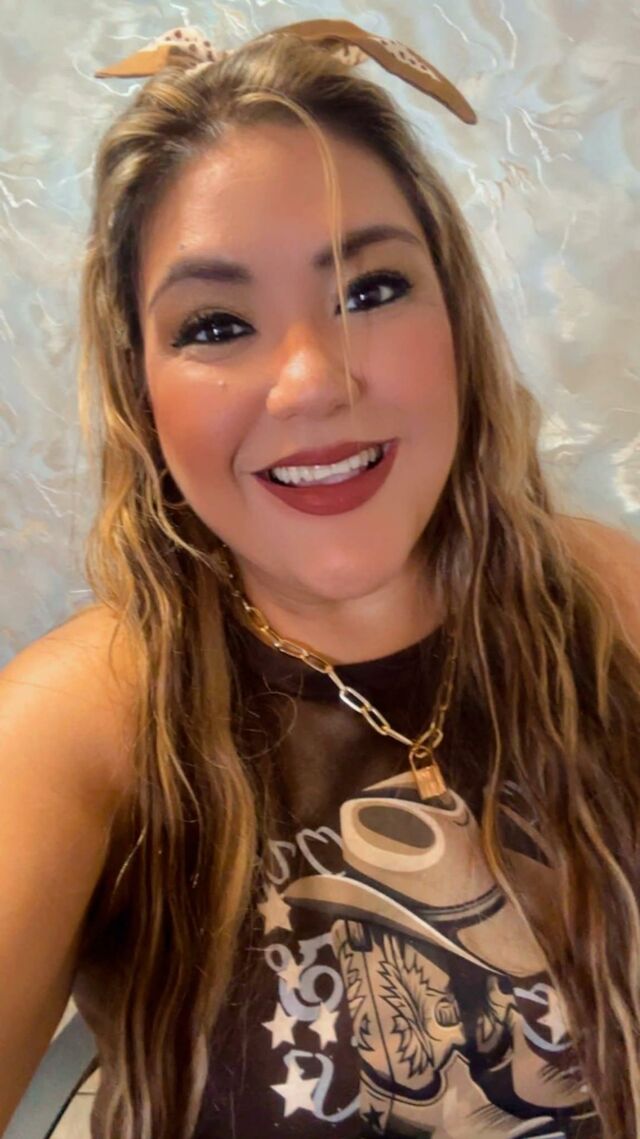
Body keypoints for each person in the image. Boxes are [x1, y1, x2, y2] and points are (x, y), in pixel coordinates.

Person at [1, 21, 640, 1139]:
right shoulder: (75, 728)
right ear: (143, 392)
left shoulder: (606, 596)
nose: (309, 383)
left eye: (370, 289)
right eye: (215, 324)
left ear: (457, 321)